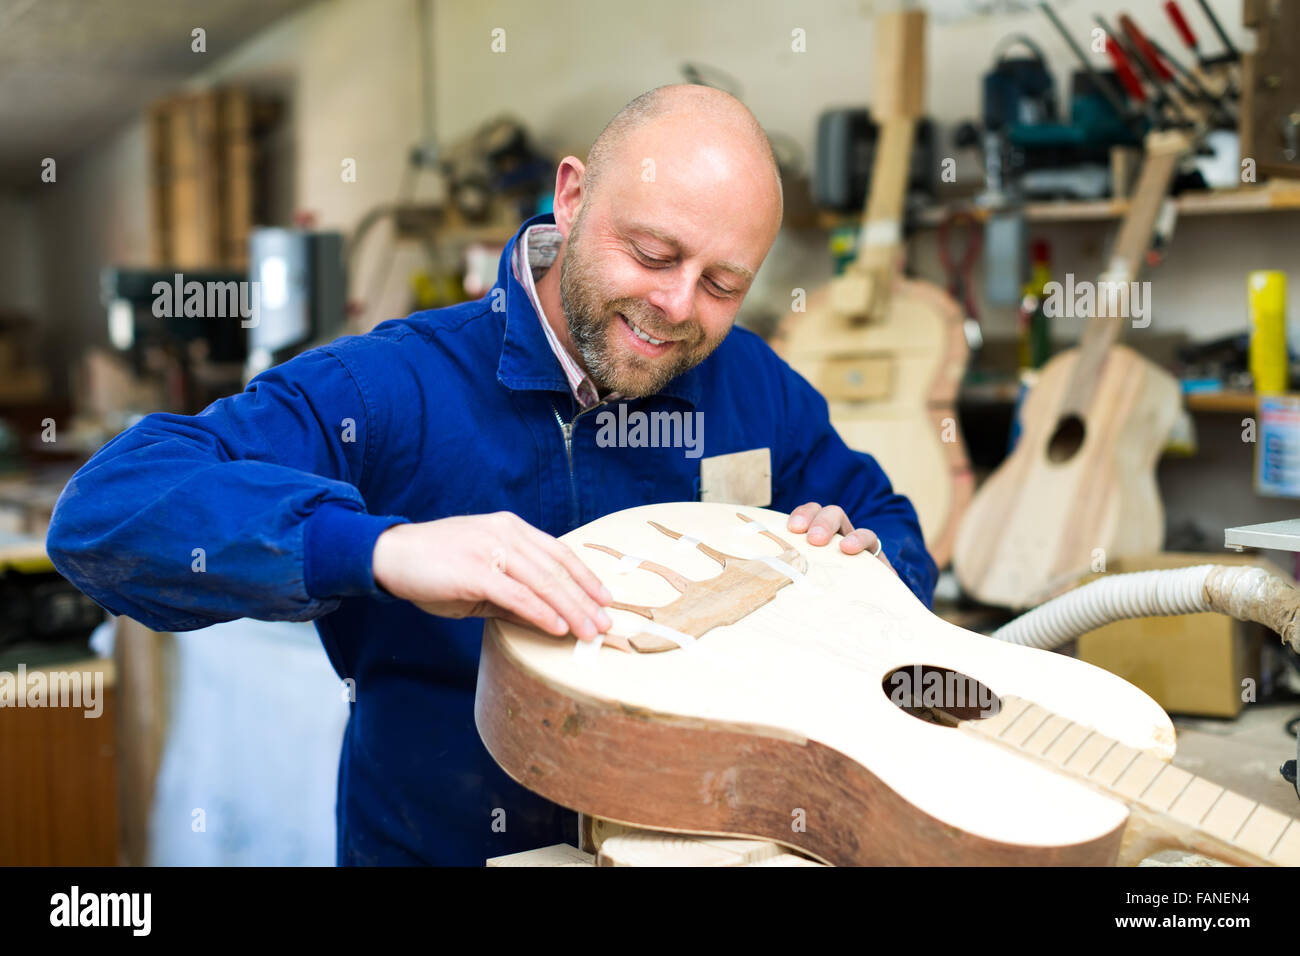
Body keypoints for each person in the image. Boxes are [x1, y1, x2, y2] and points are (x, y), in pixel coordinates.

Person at [47, 84, 937, 865]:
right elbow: (107, 512)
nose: (677, 306)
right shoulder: (393, 387)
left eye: (723, 282)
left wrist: (858, 561)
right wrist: (380, 548)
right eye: (655, 255)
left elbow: (887, 524)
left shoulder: (753, 384)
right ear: (573, 195)